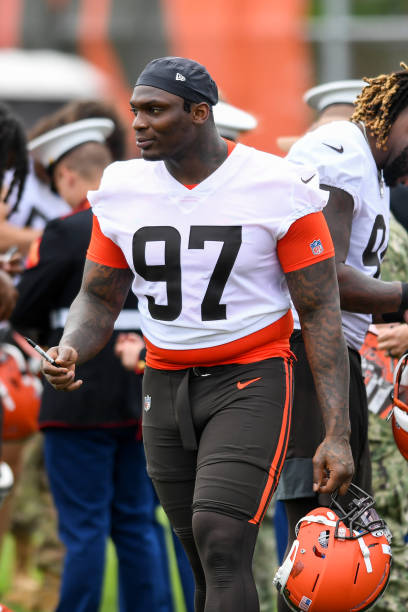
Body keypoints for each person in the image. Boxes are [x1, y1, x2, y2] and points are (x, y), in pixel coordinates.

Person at [40, 56, 353, 612]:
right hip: (163, 378)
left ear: (201, 112)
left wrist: (337, 432)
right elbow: (99, 295)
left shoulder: (277, 183)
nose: (137, 123)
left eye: (155, 110)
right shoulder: (123, 186)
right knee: (198, 554)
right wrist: (72, 348)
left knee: (222, 539)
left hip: (251, 375)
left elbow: (321, 309)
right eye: (135, 110)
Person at [11, 117, 173, 612]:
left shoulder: (63, 232)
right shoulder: (152, 221)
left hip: (78, 400)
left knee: (82, 528)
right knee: (138, 522)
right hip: (144, 394)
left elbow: (21, 308)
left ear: (65, 176)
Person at [276, 64, 408, 612]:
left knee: (349, 534)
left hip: (333, 357)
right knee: (322, 545)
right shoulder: (339, 150)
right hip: (304, 356)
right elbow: (320, 277)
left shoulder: (369, 166)